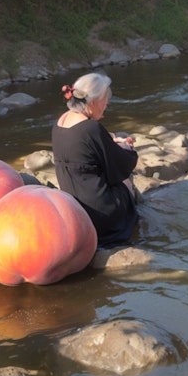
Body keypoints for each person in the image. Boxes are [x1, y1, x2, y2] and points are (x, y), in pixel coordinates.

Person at [51, 72, 139, 248]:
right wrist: (126, 148)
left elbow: (83, 153)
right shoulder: (92, 128)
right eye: (105, 99)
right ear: (93, 101)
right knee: (126, 183)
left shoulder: (60, 122)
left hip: (74, 210)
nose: (107, 104)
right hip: (100, 215)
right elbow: (124, 164)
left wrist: (110, 144)